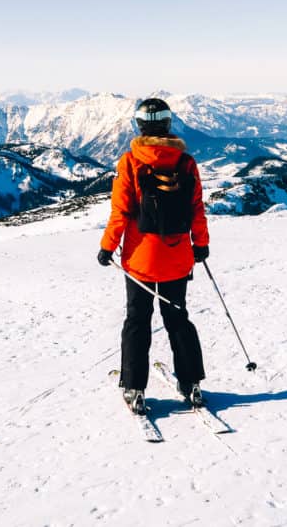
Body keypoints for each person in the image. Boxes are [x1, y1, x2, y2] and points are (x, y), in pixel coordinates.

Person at [96, 98, 210, 413]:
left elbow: (120, 212)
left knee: (137, 321)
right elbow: (196, 209)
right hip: (177, 258)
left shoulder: (130, 162)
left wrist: (108, 246)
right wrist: (200, 244)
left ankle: (134, 387)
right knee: (177, 319)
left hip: (140, 262)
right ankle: (192, 385)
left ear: (139, 125)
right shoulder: (186, 163)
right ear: (168, 124)